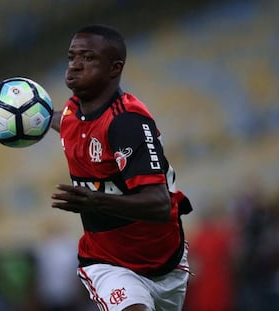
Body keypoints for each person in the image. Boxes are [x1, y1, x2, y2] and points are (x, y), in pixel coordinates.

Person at [50, 24, 193, 311]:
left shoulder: (127, 123)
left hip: (167, 264)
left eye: (88, 58)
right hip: (107, 262)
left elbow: (159, 204)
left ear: (114, 69)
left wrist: (96, 201)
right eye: (71, 57)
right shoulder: (72, 112)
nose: (75, 65)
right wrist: (31, 115)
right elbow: (63, 122)